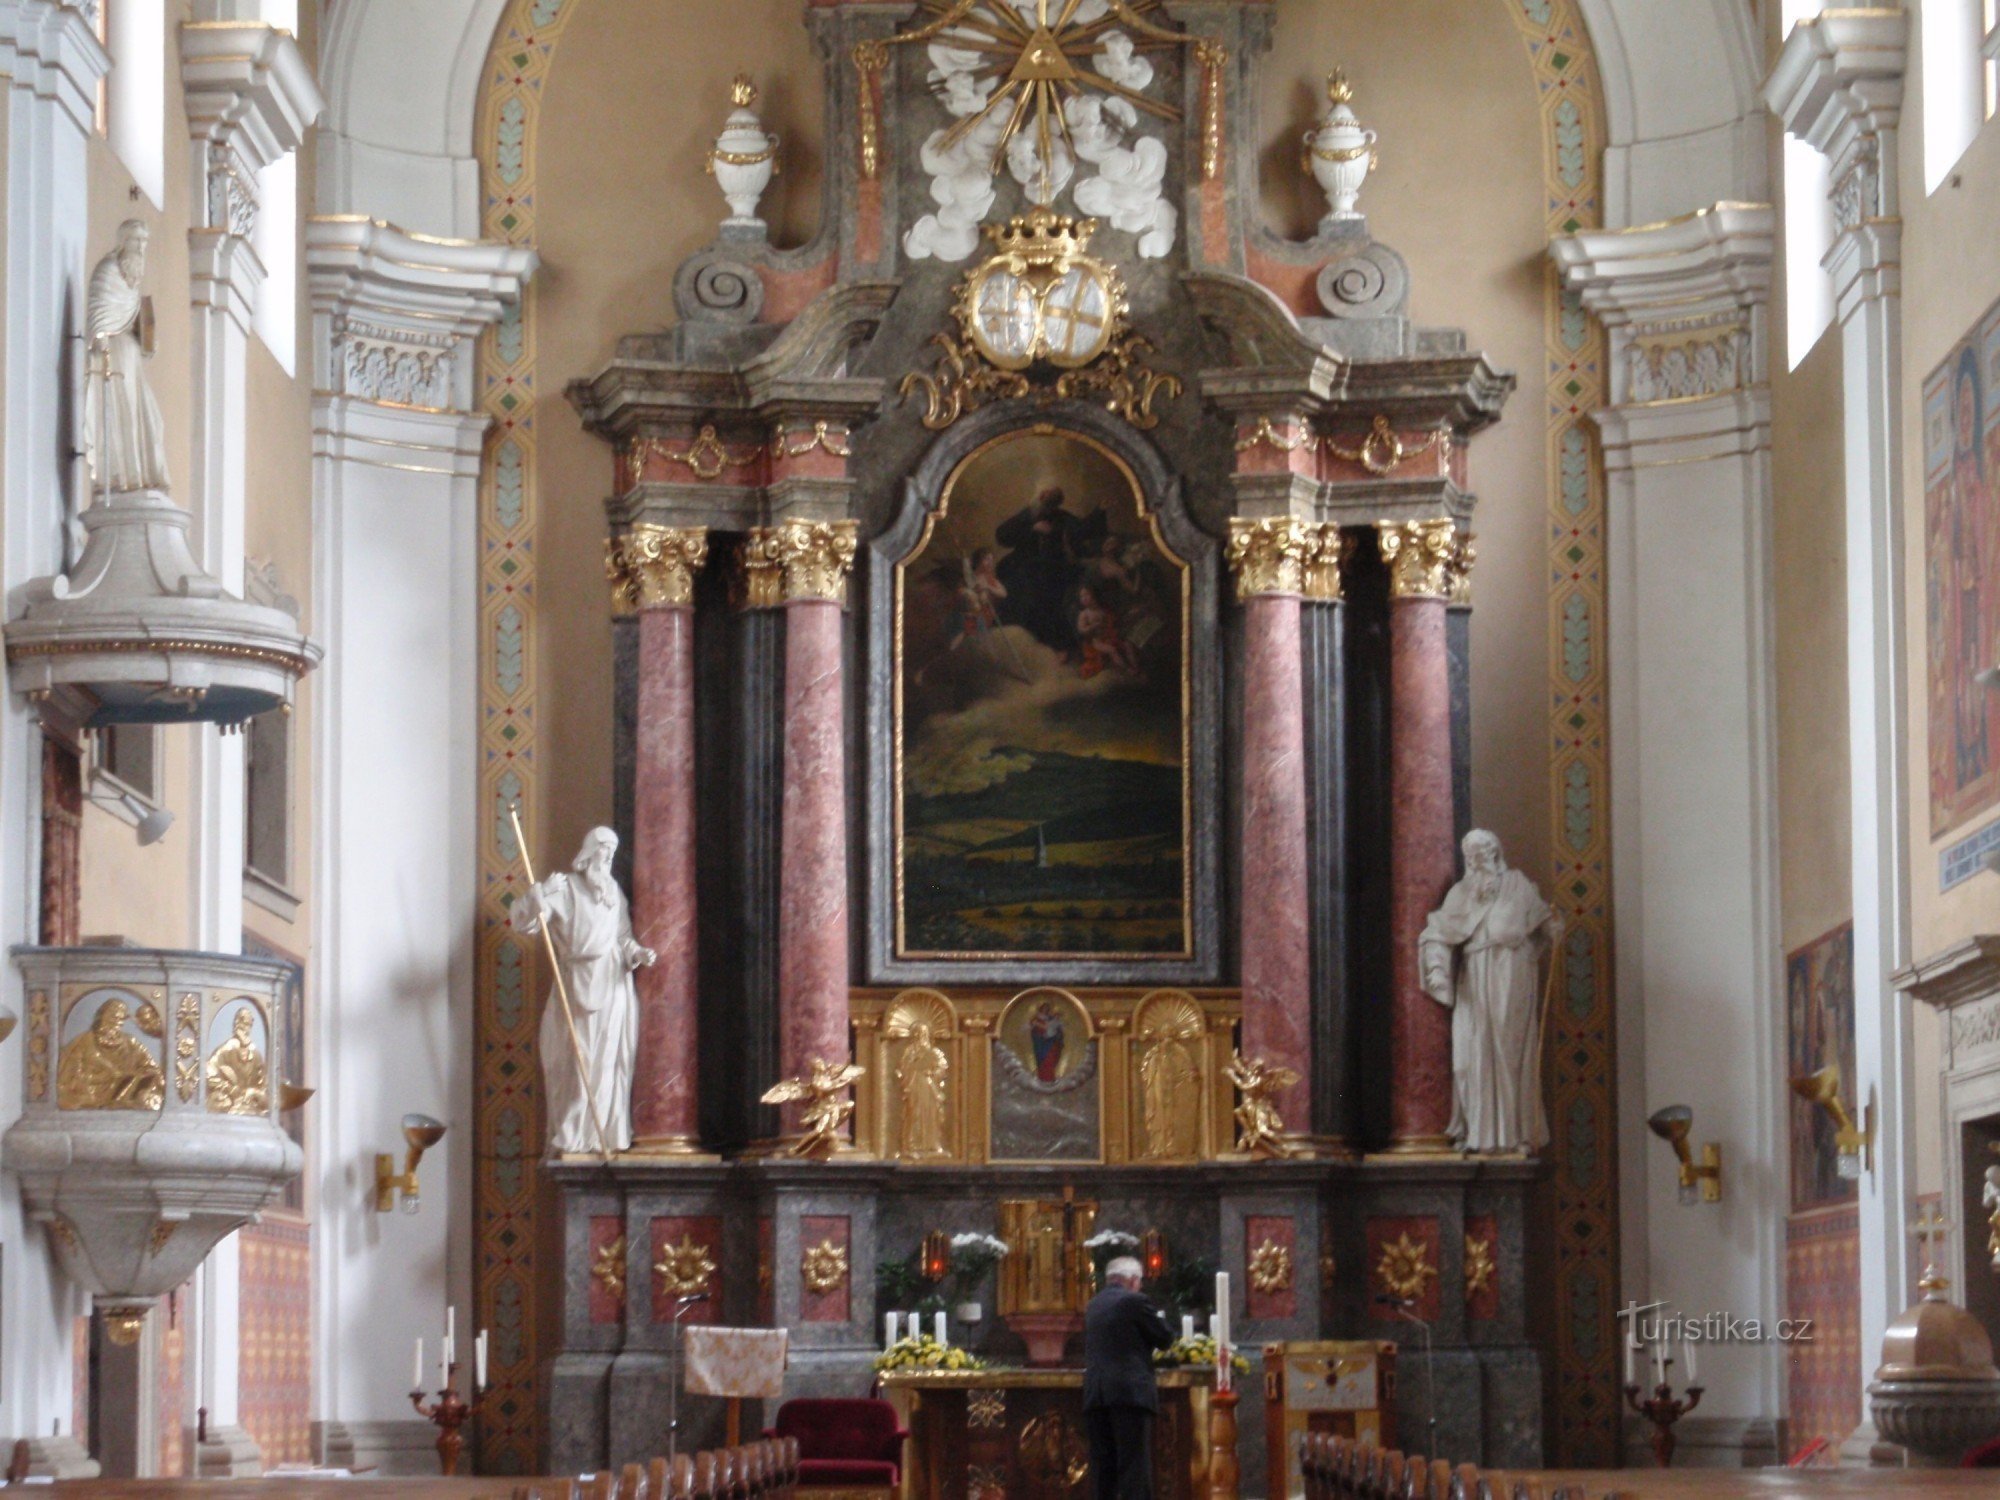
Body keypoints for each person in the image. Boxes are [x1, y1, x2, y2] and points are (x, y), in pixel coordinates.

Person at [510, 826, 656, 1155]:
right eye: (603, 850)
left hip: (613, 985)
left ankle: (603, 1133)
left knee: (607, 1063)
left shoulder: (613, 891)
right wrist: (540, 893)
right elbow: (523, 921)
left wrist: (636, 952)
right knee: (579, 1065)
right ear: (589, 852)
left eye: (612, 852)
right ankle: (573, 1133)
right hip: (577, 983)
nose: (608, 857)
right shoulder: (566, 888)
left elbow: (622, 936)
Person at [1418, 829, 1562, 1153]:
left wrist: (1553, 927)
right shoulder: (1461, 893)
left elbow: (1542, 920)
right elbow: (1436, 933)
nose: (1476, 860)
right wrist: (1437, 970)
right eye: (1470, 855)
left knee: (1510, 1053)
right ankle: (1476, 1133)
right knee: (1468, 1058)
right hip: (1474, 977)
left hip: (1511, 972)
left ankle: (1516, 1135)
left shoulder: (1518, 885)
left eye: (1481, 853)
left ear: (1495, 852)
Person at [1083, 1255, 1176, 1500]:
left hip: (1096, 1395)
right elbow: (1165, 1338)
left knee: (1104, 1470)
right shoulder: (1134, 1301)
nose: (1141, 1286)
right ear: (1133, 1280)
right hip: (1129, 1395)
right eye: (1140, 1281)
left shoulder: (1093, 1305)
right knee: (1134, 1469)